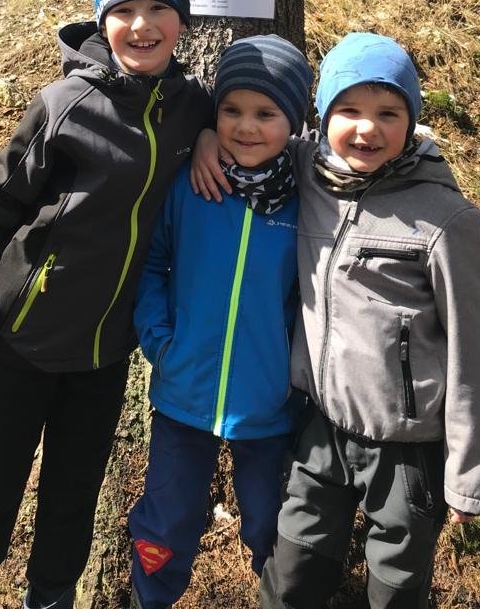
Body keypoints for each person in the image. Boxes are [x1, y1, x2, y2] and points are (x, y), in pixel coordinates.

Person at [0, 0, 213, 609]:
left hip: (104, 351)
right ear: (102, 21)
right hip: (23, 338)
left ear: (181, 20)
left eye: (158, 8)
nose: (141, 25)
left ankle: (50, 599)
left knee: (72, 497)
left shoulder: (193, 108)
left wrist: (203, 135)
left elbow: (239, 122)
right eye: (124, 10)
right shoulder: (64, 104)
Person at [191, 32, 480, 609]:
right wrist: (206, 135)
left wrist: (470, 474)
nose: (366, 129)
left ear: (412, 120)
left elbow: (471, 352)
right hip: (319, 428)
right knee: (291, 574)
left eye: (388, 114)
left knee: (395, 588)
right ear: (321, 116)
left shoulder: (446, 217)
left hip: (407, 448)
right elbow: (255, 133)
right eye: (348, 110)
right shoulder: (308, 172)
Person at [128, 35, 314, 609]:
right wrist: (160, 342)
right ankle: (150, 599)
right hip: (183, 392)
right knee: (166, 520)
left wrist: (290, 372)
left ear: (294, 121)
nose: (246, 126)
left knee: (269, 524)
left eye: (266, 113)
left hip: (268, 404)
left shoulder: (307, 199)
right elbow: (153, 264)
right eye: (231, 110)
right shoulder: (192, 183)